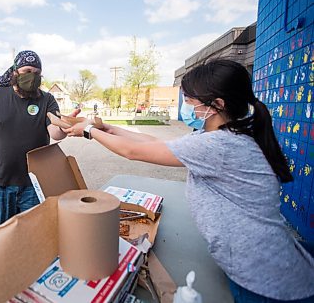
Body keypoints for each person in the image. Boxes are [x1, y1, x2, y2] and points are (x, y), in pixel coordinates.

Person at [61, 59, 314, 302]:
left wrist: (88, 131)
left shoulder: (218, 144)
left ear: (216, 104)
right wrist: (110, 129)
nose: (187, 106)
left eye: (190, 101)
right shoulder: (228, 133)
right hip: (260, 260)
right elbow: (158, 144)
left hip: (265, 278)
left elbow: (133, 152)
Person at [0, 50, 79, 226]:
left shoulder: (47, 100)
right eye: (27, 71)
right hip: (1, 183)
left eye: (37, 73)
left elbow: (54, 131)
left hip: (33, 184)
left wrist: (65, 125)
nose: (32, 77)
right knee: (3, 233)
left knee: (33, 234)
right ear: (15, 71)